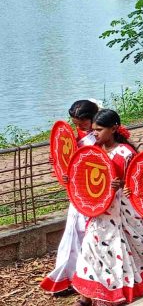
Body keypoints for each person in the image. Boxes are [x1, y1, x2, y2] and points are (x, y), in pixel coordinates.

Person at [61, 109, 143, 306]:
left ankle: (113, 292)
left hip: (121, 209)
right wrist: (70, 178)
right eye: (94, 130)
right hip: (99, 210)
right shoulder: (94, 150)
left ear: (114, 128)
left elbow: (138, 182)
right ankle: (86, 296)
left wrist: (122, 184)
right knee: (90, 248)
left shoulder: (126, 153)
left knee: (121, 250)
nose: (95, 133)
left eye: (99, 130)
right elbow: (84, 176)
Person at [41, 99, 99, 294]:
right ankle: (69, 276)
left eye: (83, 121)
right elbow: (65, 158)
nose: (79, 125)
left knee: (90, 234)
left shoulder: (100, 136)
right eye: (75, 122)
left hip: (95, 193)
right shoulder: (74, 137)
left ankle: (90, 276)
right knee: (73, 233)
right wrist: (58, 159)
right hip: (77, 192)